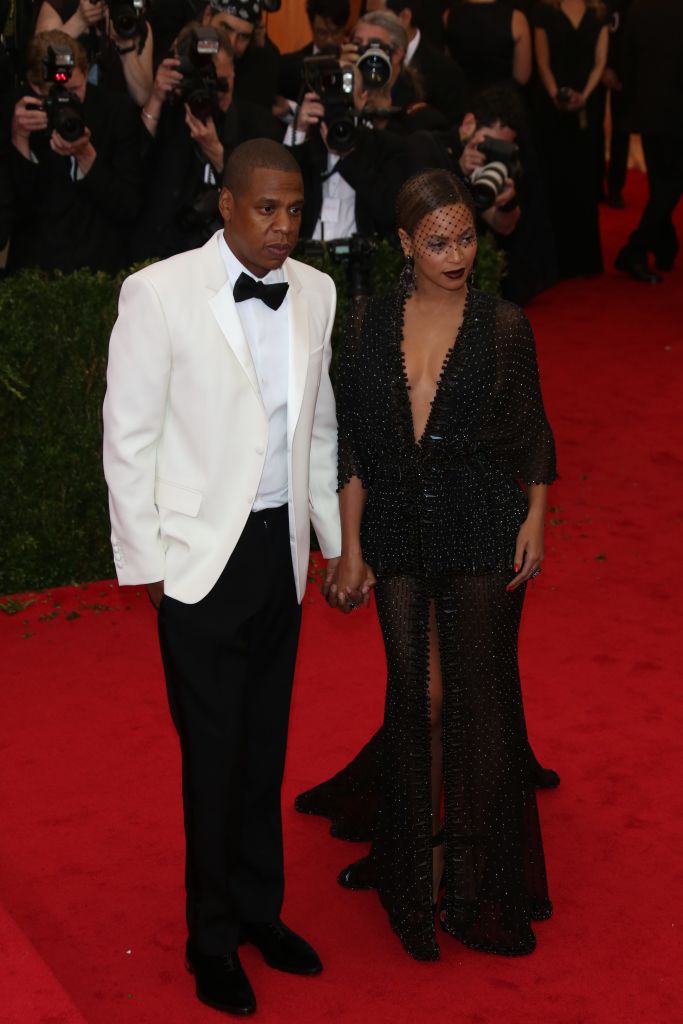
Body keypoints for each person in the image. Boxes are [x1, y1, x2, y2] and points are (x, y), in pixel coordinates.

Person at [102, 138, 342, 1015]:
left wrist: (330, 539)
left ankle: (258, 913)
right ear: (227, 205)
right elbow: (128, 439)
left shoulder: (315, 291)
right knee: (212, 757)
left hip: (280, 553)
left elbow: (319, 428)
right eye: (267, 209)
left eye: (295, 210)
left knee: (264, 746)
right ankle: (209, 940)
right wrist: (153, 566)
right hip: (200, 560)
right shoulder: (158, 292)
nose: (284, 226)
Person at [304, 168, 557, 962]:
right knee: (421, 699)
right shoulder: (367, 324)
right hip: (397, 532)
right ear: (405, 244)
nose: (457, 255)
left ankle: (474, 875)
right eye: (438, 242)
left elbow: (532, 433)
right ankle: (415, 858)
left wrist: (535, 520)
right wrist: (349, 550)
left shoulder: (504, 325)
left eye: (466, 238)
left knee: (476, 701)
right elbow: (355, 448)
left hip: (483, 525)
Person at [132, 23, 283, 260]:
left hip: (229, 257)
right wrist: (156, 98)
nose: (215, 92)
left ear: (234, 70)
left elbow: (263, 200)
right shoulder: (169, 114)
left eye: (221, 82)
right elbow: (132, 169)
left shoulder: (259, 126)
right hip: (162, 254)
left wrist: (216, 152)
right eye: (205, 82)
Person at [7, 29, 140, 272]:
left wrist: (86, 156)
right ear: (35, 87)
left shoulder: (115, 111)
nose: (68, 99)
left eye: (75, 89)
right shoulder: (18, 114)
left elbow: (129, 206)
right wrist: (19, 142)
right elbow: (12, 214)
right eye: (57, 91)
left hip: (100, 269)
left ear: (86, 72)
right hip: (35, 271)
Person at [534, 0, 608, 277]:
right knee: (556, 178)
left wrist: (584, 97)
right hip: (551, 110)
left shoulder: (598, 14)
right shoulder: (544, 12)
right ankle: (557, 259)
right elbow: (542, 61)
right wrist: (556, 94)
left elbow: (600, 62)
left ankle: (585, 258)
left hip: (587, 111)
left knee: (584, 178)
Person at [614, 0, 683, 283]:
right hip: (675, 112)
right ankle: (635, 249)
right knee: (671, 183)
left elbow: (626, 61)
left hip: (647, 111)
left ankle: (665, 246)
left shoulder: (639, 7)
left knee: (660, 184)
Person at [34, 0, 154, 106]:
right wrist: (79, 22)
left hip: (116, 118)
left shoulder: (134, 24)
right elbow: (37, 65)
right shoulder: (59, 5)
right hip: (66, 111)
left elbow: (142, 98)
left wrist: (126, 45)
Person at [364, 0, 468, 122]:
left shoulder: (446, 74)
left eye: (377, 18)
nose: (366, 24)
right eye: (365, 15)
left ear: (404, 17)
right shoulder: (360, 61)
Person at [202, 1, 281, 110]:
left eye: (243, 36)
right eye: (226, 28)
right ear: (207, 16)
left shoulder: (259, 70)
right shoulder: (182, 52)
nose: (232, 43)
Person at [446, 0, 533, 95]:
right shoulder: (517, 20)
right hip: (502, 99)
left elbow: (447, 64)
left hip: (462, 97)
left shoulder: (448, 15)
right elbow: (522, 77)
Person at [278, 0, 350, 104]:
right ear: (312, 27)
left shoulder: (354, 61)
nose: (329, 40)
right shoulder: (289, 66)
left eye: (335, 33)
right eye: (322, 33)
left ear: (344, 28)